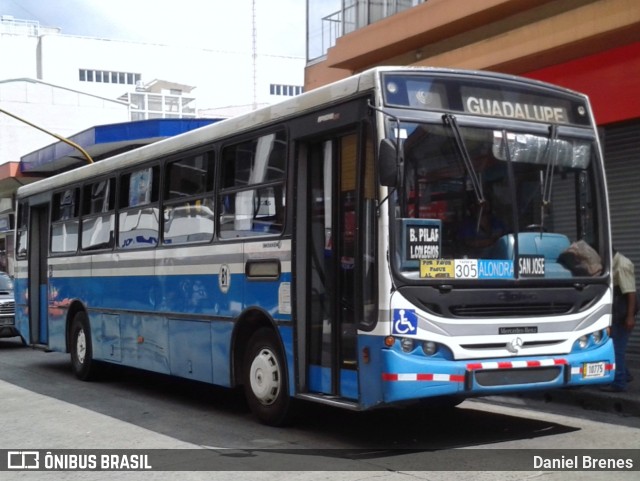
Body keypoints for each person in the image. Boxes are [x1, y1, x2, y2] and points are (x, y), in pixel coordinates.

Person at [602, 249, 637, 392]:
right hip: (617, 314)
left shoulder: (621, 265)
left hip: (622, 316)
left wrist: (629, 317)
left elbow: (631, 293)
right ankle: (625, 375)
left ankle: (619, 383)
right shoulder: (612, 263)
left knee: (617, 350)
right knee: (616, 347)